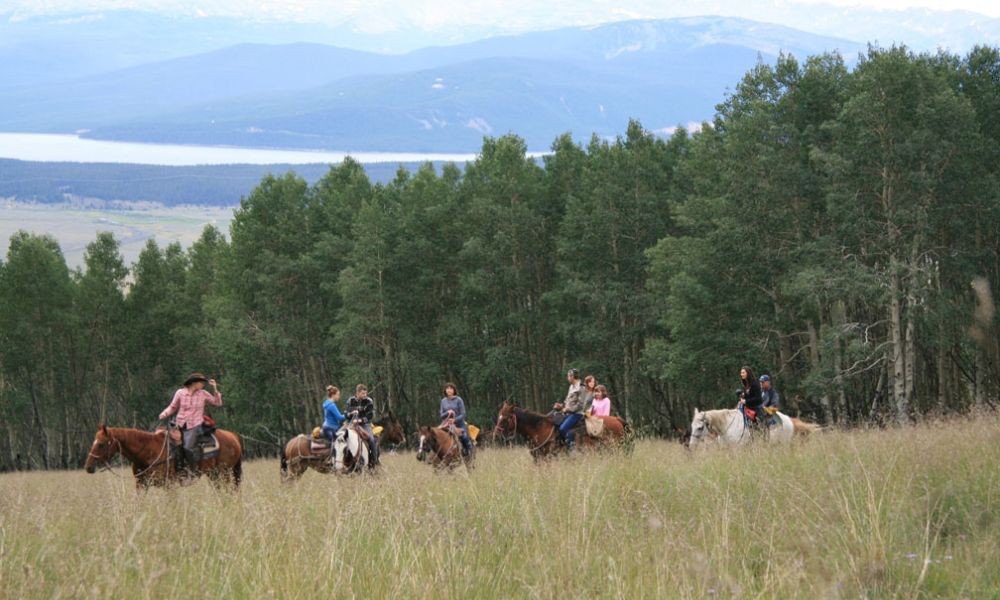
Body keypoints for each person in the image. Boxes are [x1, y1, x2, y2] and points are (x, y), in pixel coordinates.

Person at [159, 373, 222, 475]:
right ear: (194, 383)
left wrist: (215, 389)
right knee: (163, 439)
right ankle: (171, 468)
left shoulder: (203, 393)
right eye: (201, 382)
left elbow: (217, 403)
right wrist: (164, 413)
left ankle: (191, 471)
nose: (203, 384)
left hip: (195, 425)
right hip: (179, 423)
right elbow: (173, 406)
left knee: (188, 447)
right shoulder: (180, 393)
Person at [345, 384, 379, 466]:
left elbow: (370, 415)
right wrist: (351, 414)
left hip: (365, 424)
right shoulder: (350, 400)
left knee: (371, 440)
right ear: (358, 393)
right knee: (341, 437)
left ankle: (374, 461)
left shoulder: (369, 401)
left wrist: (361, 420)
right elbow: (345, 413)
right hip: (351, 423)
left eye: (365, 393)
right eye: (363, 393)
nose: (365, 395)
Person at [553, 368, 585, 452]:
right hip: (568, 412)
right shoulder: (571, 387)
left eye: (568, 376)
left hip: (577, 414)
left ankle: (571, 447)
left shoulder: (581, 388)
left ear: (572, 376)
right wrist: (561, 405)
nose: (567, 378)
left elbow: (581, 404)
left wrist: (568, 409)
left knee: (563, 429)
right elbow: (568, 400)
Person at [439, 383, 473, 457]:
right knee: (434, 435)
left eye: (451, 388)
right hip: (446, 424)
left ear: (454, 390)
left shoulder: (458, 400)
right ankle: (431, 455)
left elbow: (463, 414)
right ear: (445, 390)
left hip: (459, 424)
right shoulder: (443, 401)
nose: (449, 390)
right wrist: (447, 412)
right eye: (447, 388)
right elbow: (441, 415)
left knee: (465, 437)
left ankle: (470, 452)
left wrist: (454, 420)